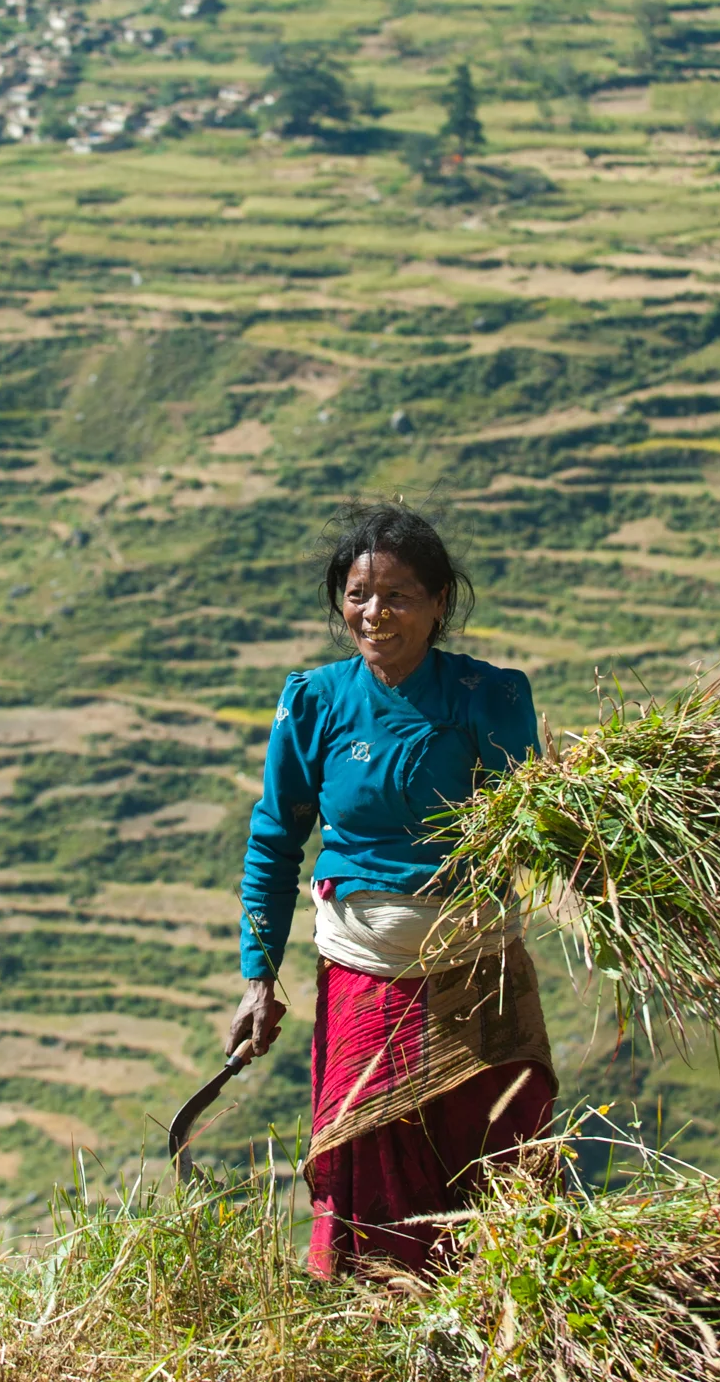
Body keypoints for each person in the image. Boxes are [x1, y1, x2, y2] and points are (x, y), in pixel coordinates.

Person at [230, 502, 554, 1279]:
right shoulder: (313, 700)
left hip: (477, 977)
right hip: (363, 979)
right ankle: (379, 1332)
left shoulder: (492, 697)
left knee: (498, 1161)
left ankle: (501, 1323)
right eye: (357, 594)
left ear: (441, 602)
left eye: (398, 595)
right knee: (369, 1174)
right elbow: (276, 839)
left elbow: (537, 825)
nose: (374, 614)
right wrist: (257, 975)